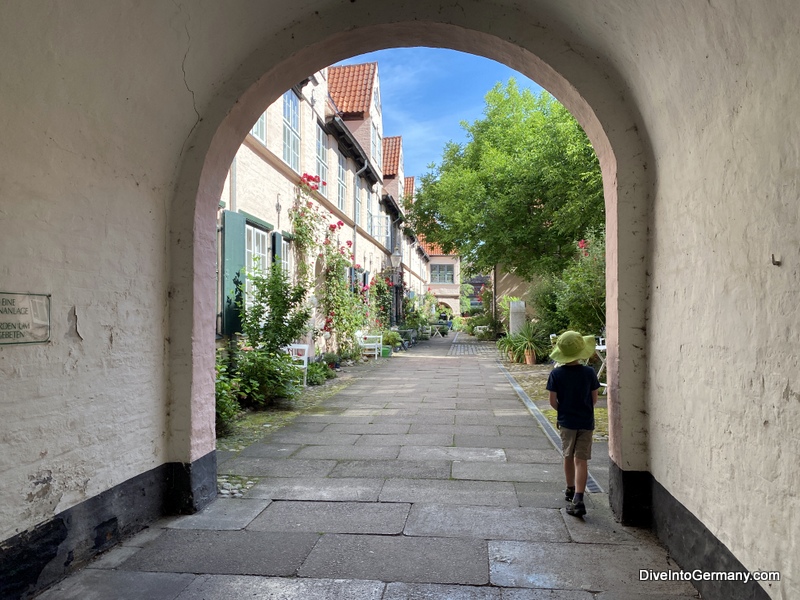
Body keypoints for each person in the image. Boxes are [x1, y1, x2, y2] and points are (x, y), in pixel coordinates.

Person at [546, 331, 600, 517]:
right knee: (581, 459)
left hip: (567, 421)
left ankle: (569, 488)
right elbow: (594, 399)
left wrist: (564, 410)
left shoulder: (556, 374)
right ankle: (579, 497)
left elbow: (553, 401)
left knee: (568, 455)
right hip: (586, 421)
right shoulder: (589, 373)